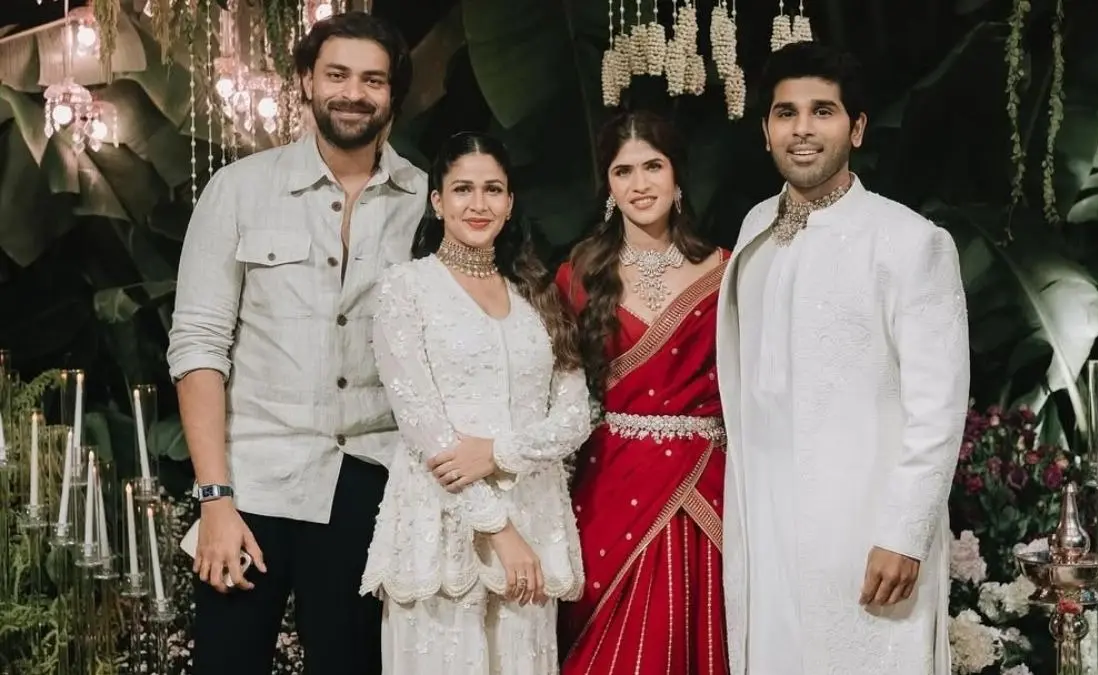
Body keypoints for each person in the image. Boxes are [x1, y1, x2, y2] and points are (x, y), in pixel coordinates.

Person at [165, 12, 423, 675]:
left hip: (370, 480)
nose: (353, 92)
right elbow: (198, 346)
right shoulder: (239, 191)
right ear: (306, 81)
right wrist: (214, 498)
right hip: (252, 484)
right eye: (336, 74)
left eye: (373, 79)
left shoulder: (427, 199)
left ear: (392, 93)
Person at [716, 41, 969, 675]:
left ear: (855, 128)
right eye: (785, 113)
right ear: (766, 128)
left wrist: (904, 533)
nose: (802, 129)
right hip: (765, 530)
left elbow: (937, 410)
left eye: (822, 111)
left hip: (865, 535)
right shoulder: (753, 232)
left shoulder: (909, 242)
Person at [359, 131, 593, 674]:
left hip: (534, 522)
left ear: (510, 203)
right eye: (462, 189)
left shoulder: (535, 293)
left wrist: (499, 452)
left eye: (493, 189)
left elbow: (575, 416)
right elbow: (425, 431)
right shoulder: (407, 288)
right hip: (444, 528)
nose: (478, 203)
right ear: (437, 201)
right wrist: (499, 532)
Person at [556, 110, 730, 675]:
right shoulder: (578, 275)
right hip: (612, 481)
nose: (640, 184)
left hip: (707, 484)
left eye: (653, 166)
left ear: (677, 176)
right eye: (623, 171)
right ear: (608, 186)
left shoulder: (724, 270)